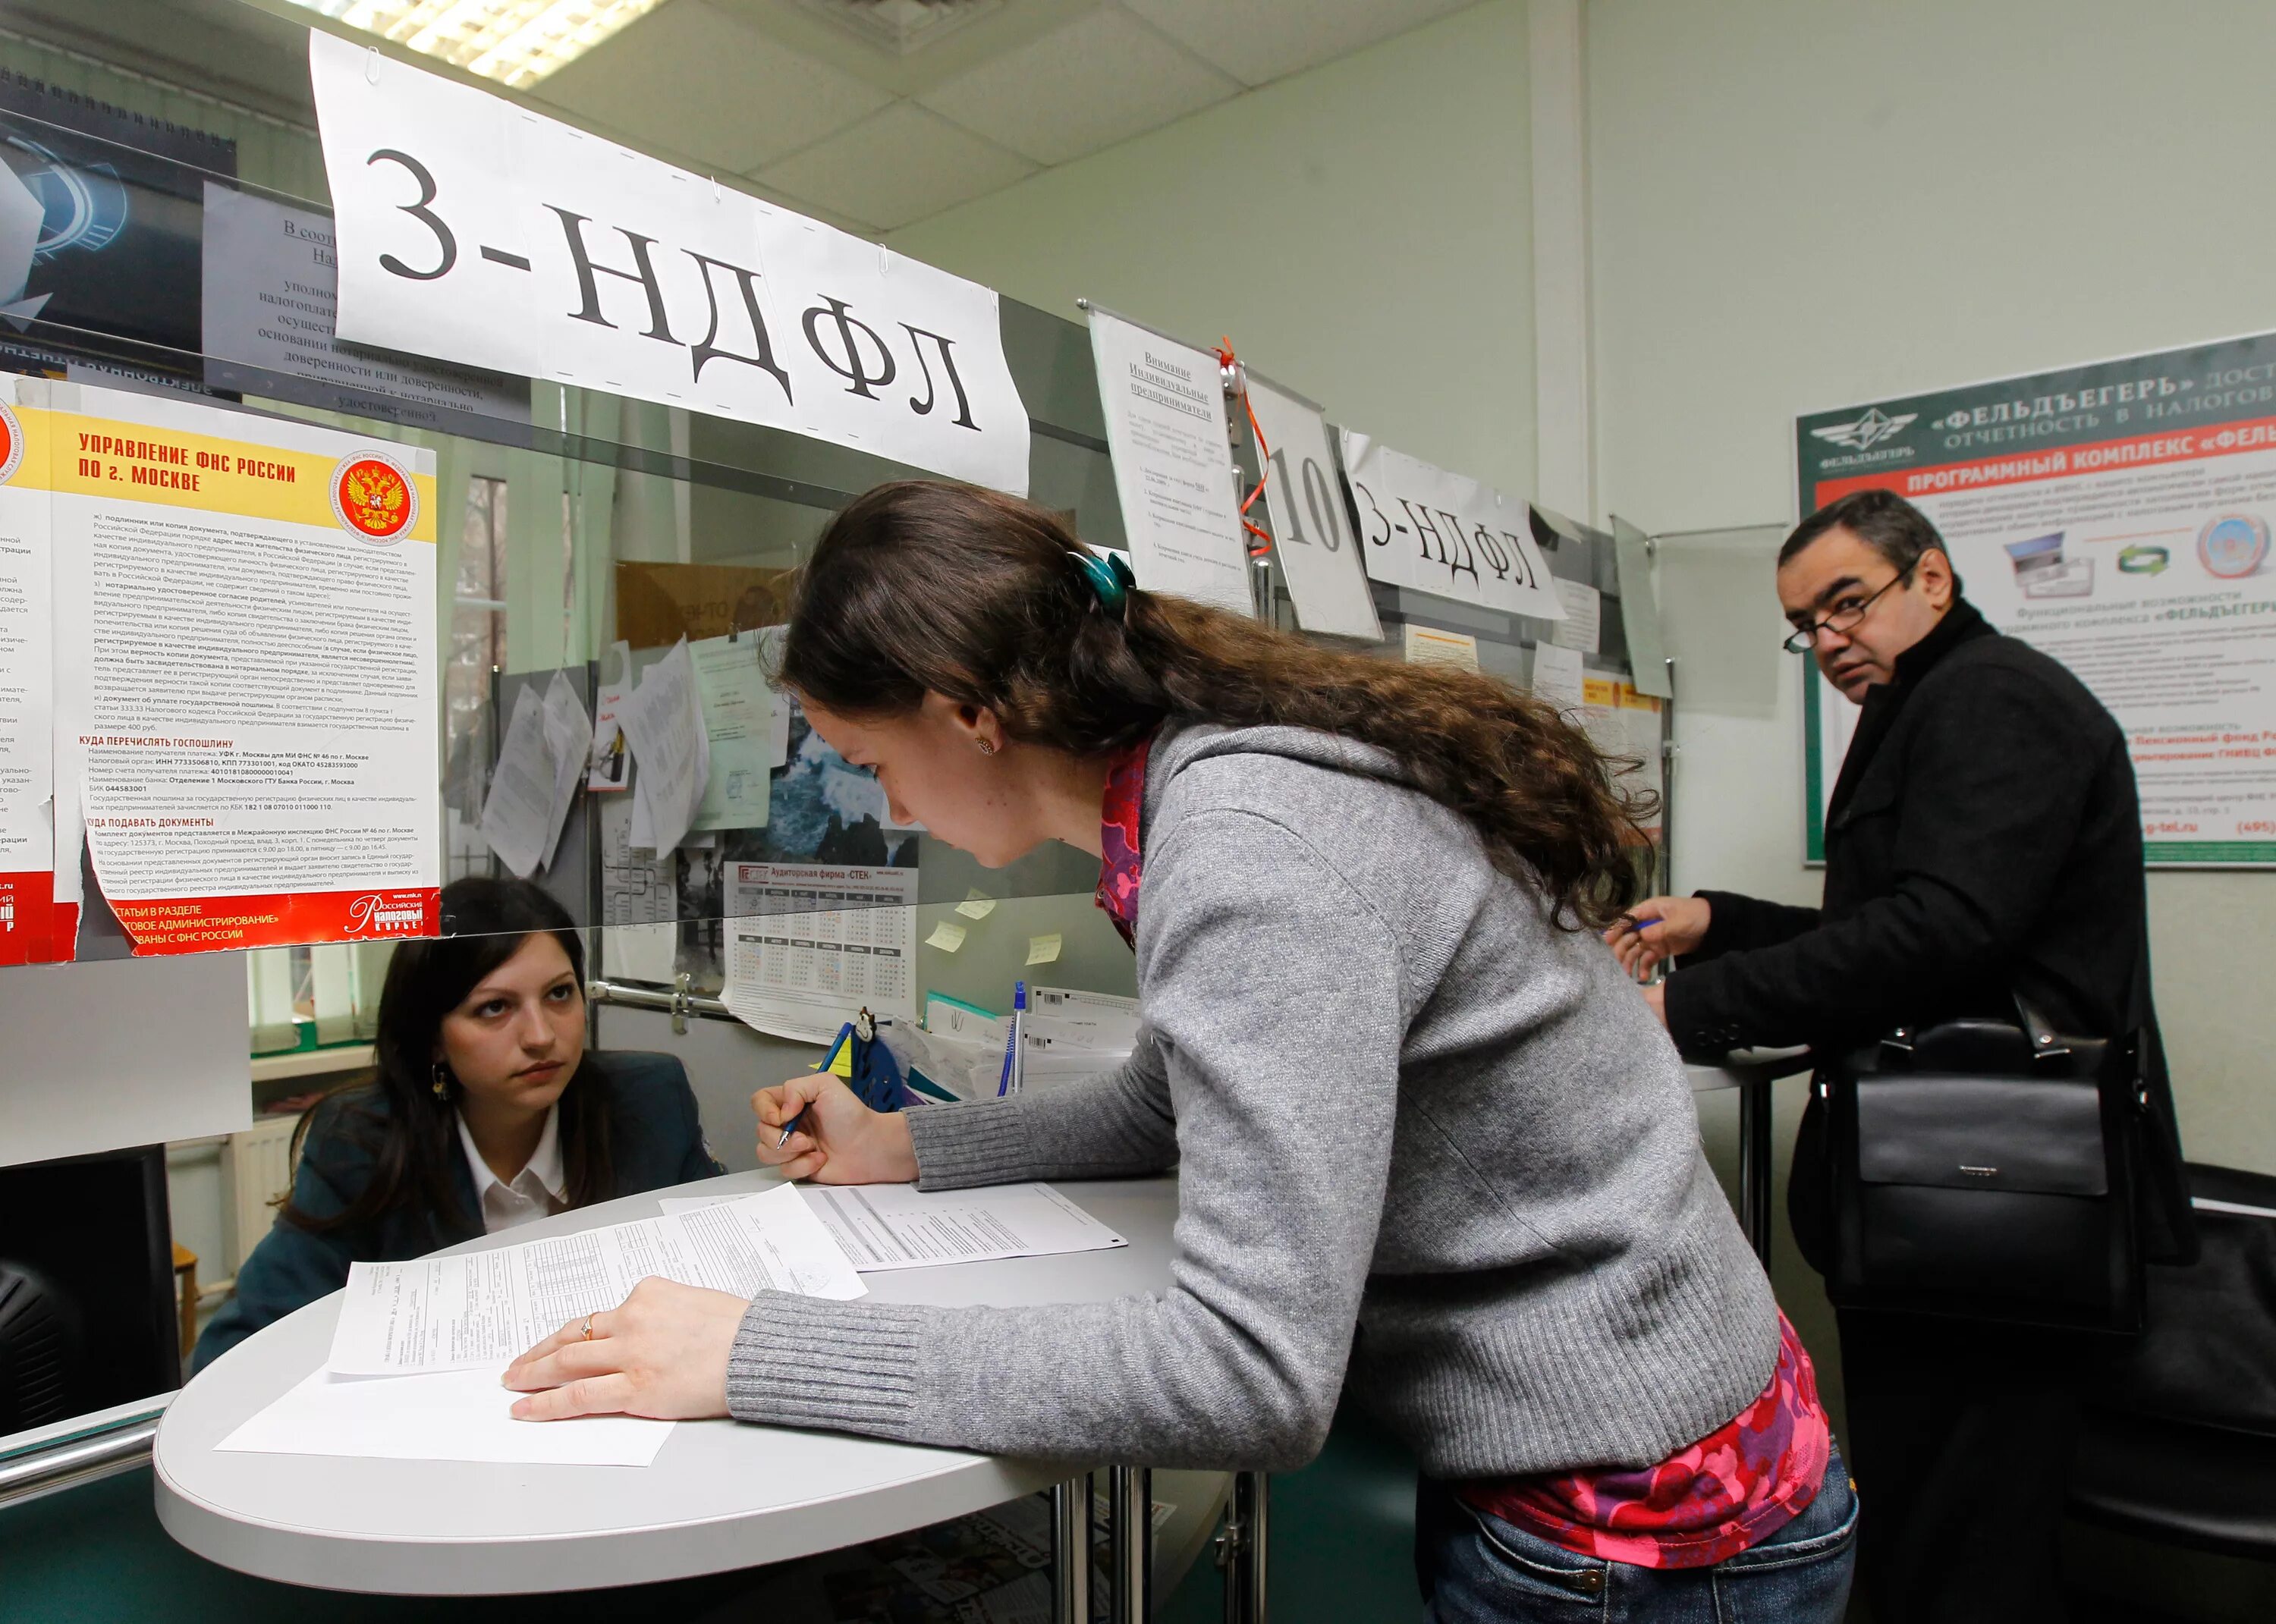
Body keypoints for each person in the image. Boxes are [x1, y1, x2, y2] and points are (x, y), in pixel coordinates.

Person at [501, 481, 1857, 1623]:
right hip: (1626, 1442)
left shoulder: (1247, 848)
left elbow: (1248, 1377)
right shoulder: (1191, 787)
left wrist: (755, 1353)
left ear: (966, 707)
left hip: (1647, 1530)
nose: (884, 806)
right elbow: (1178, 1096)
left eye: (871, 759)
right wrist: (907, 1144)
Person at [1608, 488, 2190, 1623]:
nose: (1830, 640)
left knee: (1966, 1530)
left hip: (1993, 1202)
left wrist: (1687, 1009)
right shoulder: (1934, 697)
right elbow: (1895, 927)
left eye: (1847, 604)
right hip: (1958, 1197)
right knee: (1938, 1509)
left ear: (1931, 577)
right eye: (1808, 624)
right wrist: (1719, 922)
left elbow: (1940, 936)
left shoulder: (1995, 700)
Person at [192, 877, 721, 1371]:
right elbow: (236, 1352)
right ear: (433, 1038)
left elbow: (722, 1272)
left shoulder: (648, 1098)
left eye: (559, 993)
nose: (540, 1035)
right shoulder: (364, 1141)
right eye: (495, 1007)